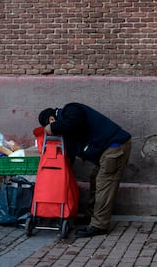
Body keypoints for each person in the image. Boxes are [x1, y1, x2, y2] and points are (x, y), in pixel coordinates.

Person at [38, 102, 132, 238]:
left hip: (115, 147)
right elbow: (69, 156)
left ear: (52, 119)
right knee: (95, 178)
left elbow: (75, 123)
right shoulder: (68, 134)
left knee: (104, 184)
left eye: (50, 125)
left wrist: (51, 128)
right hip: (107, 151)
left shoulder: (71, 110)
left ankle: (99, 225)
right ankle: (90, 216)